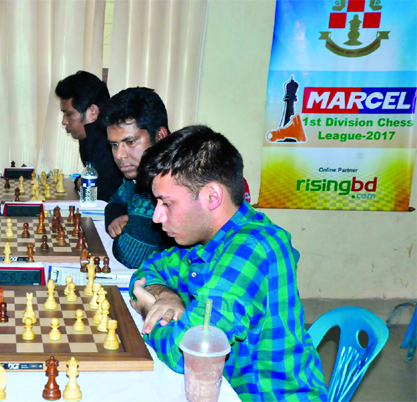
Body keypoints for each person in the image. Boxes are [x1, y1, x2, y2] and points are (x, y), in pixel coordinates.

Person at [129, 125, 328, 401]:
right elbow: (148, 271)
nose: (157, 217)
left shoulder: (250, 249)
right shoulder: (207, 238)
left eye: (166, 203)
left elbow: (184, 353)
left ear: (212, 196)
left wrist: (149, 308)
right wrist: (167, 295)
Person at [101, 87, 176, 269]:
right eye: (114, 145)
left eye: (130, 142)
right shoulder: (138, 172)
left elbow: (132, 255)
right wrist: (115, 215)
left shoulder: (170, 179)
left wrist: (124, 233)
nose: (119, 155)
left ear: (160, 135)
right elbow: (115, 201)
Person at [55, 71, 123, 202]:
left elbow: (103, 191)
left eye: (68, 114)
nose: (64, 121)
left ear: (93, 111)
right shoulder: (89, 136)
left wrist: (80, 182)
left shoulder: (108, 143)